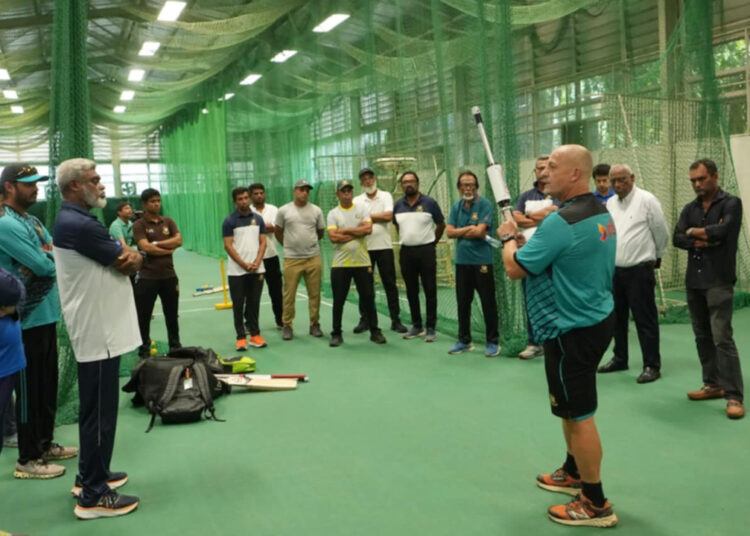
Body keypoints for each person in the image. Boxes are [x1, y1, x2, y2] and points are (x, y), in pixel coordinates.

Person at [497, 145, 618, 527]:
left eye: (551, 167)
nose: (543, 173)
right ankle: (573, 470)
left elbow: (515, 269)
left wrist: (508, 238)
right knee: (568, 406)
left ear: (575, 174)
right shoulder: (599, 211)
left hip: (572, 330)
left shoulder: (560, 222)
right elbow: (564, 255)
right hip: (596, 319)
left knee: (580, 415)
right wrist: (528, 240)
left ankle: (595, 502)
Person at [53, 158, 140, 519]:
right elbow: (128, 260)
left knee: (97, 410)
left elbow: (123, 256)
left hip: (99, 328)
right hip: (98, 330)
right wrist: (132, 254)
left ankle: (91, 474)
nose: (101, 185)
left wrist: (126, 252)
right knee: (100, 414)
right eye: (94, 179)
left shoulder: (78, 219)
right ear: (75, 186)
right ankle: (93, 496)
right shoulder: (80, 225)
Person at [0, 163, 76, 480]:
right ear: (9, 187)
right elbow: (45, 266)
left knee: (46, 387)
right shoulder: (5, 224)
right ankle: (28, 458)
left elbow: (54, 255)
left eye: (37, 183)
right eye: (28, 184)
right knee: (29, 393)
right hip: (24, 322)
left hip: (45, 314)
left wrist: (44, 257)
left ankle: (44, 444)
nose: (35, 188)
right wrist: (44, 258)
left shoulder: (31, 221)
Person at [674, 158, 745, 419]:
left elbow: (723, 232)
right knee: (702, 336)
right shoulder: (690, 208)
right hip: (694, 281)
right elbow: (677, 237)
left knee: (722, 337)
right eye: (693, 180)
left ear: (715, 176)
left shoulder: (731, 203)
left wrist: (693, 231)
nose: (697, 184)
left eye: (701, 179)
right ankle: (712, 384)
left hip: (719, 280)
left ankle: (734, 396)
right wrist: (699, 237)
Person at [598, 164, 669, 383]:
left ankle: (651, 365)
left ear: (632, 177)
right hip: (615, 271)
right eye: (614, 180)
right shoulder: (610, 203)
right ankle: (620, 358)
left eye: (622, 179)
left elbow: (661, 231)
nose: (617, 184)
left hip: (640, 270)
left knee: (644, 319)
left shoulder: (647, 200)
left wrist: (657, 256)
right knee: (617, 319)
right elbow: (608, 233)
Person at [445, 171, 500, 357]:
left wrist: (462, 231)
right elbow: (449, 232)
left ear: (476, 187)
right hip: (462, 262)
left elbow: (480, 232)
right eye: (464, 185)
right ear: (459, 188)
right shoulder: (456, 207)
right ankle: (464, 341)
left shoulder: (485, 205)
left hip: (482, 262)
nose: (467, 188)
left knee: (488, 302)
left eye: (471, 185)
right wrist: (469, 228)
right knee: (463, 302)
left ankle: (492, 342)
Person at [327, 180, 386, 347]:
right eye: (343, 191)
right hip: (340, 264)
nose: (347, 193)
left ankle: (375, 331)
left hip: (362, 262)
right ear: (338, 194)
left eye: (349, 190)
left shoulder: (362, 209)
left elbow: (368, 229)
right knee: (339, 300)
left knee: (368, 298)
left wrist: (345, 230)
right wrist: (357, 232)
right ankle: (336, 333)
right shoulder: (333, 213)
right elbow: (333, 237)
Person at [513, 155, 559, 359]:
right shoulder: (525, 196)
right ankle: (534, 343)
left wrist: (529, 217)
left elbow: (557, 213)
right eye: (540, 168)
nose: (543, 172)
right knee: (530, 299)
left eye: (547, 168)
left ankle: (554, 341)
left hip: (554, 257)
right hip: (529, 256)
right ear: (535, 172)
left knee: (555, 298)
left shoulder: (558, 192)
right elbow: (516, 219)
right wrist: (544, 215)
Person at [352, 168, 407, 334]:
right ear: (361, 183)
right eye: (364, 179)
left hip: (384, 248)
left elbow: (388, 217)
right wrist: (376, 216)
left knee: (390, 284)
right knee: (365, 286)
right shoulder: (357, 200)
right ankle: (365, 320)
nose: (368, 181)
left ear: (374, 179)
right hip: (364, 249)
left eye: (370, 178)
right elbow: (356, 222)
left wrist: (367, 216)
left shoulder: (385, 196)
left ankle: (395, 320)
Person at [393, 171, 445, 342]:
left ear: (417, 183)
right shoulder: (397, 205)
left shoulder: (430, 203)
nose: (409, 184)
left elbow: (441, 225)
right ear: (402, 186)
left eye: (412, 181)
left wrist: (432, 242)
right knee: (411, 290)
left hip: (426, 252)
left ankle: (430, 327)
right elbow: (398, 227)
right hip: (406, 253)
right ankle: (417, 326)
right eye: (405, 182)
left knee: (430, 289)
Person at [132, 188, 182, 356]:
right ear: (144, 204)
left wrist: (157, 244)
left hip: (169, 276)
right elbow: (145, 247)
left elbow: (179, 240)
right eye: (152, 201)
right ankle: (144, 349)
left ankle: (175, 347)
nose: (156, 204)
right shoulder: (139, 224)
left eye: (158, 201)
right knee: (144, 315)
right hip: (147, 277)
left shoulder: (168, 221)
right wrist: (168, 249)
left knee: (172, 314)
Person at [275, 179, 325, 340]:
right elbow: (278, 231)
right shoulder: (283, 210)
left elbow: (320, 232)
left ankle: (314, 324)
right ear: (294, 191)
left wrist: (309, 244)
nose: (304, 193)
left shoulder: (316, 210)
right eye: (301, 190)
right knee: (289, 295)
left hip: (313, 258)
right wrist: (289, 246)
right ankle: (287, 325)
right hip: (292, 260)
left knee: (315, 294)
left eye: (307, 190)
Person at [223, 187, 267, 351]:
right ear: (235, 202)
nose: (244, 201)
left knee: (254, 304)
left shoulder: (258, 219)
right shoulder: (229, 221)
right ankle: (241, 338)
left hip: (257, 269)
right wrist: (244, 264)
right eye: (240, 199)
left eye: (246, 198)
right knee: (238, 304)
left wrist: (257, 262)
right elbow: (228, 246)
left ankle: (255, 335)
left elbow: (263, 242)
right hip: (237, 272)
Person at [250, 183, 283, 329]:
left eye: (261, 193)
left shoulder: (274, 209)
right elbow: (250, 231)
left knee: (276, 292)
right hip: (253, 259)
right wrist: (266, 227)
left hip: (271, 256)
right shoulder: (247, 211)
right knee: (252, 294)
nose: (259, 196)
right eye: (256, 193)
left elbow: (276, 228)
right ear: (251, 196)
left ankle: (281, 321)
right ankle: (250, 324)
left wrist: (258, 227)